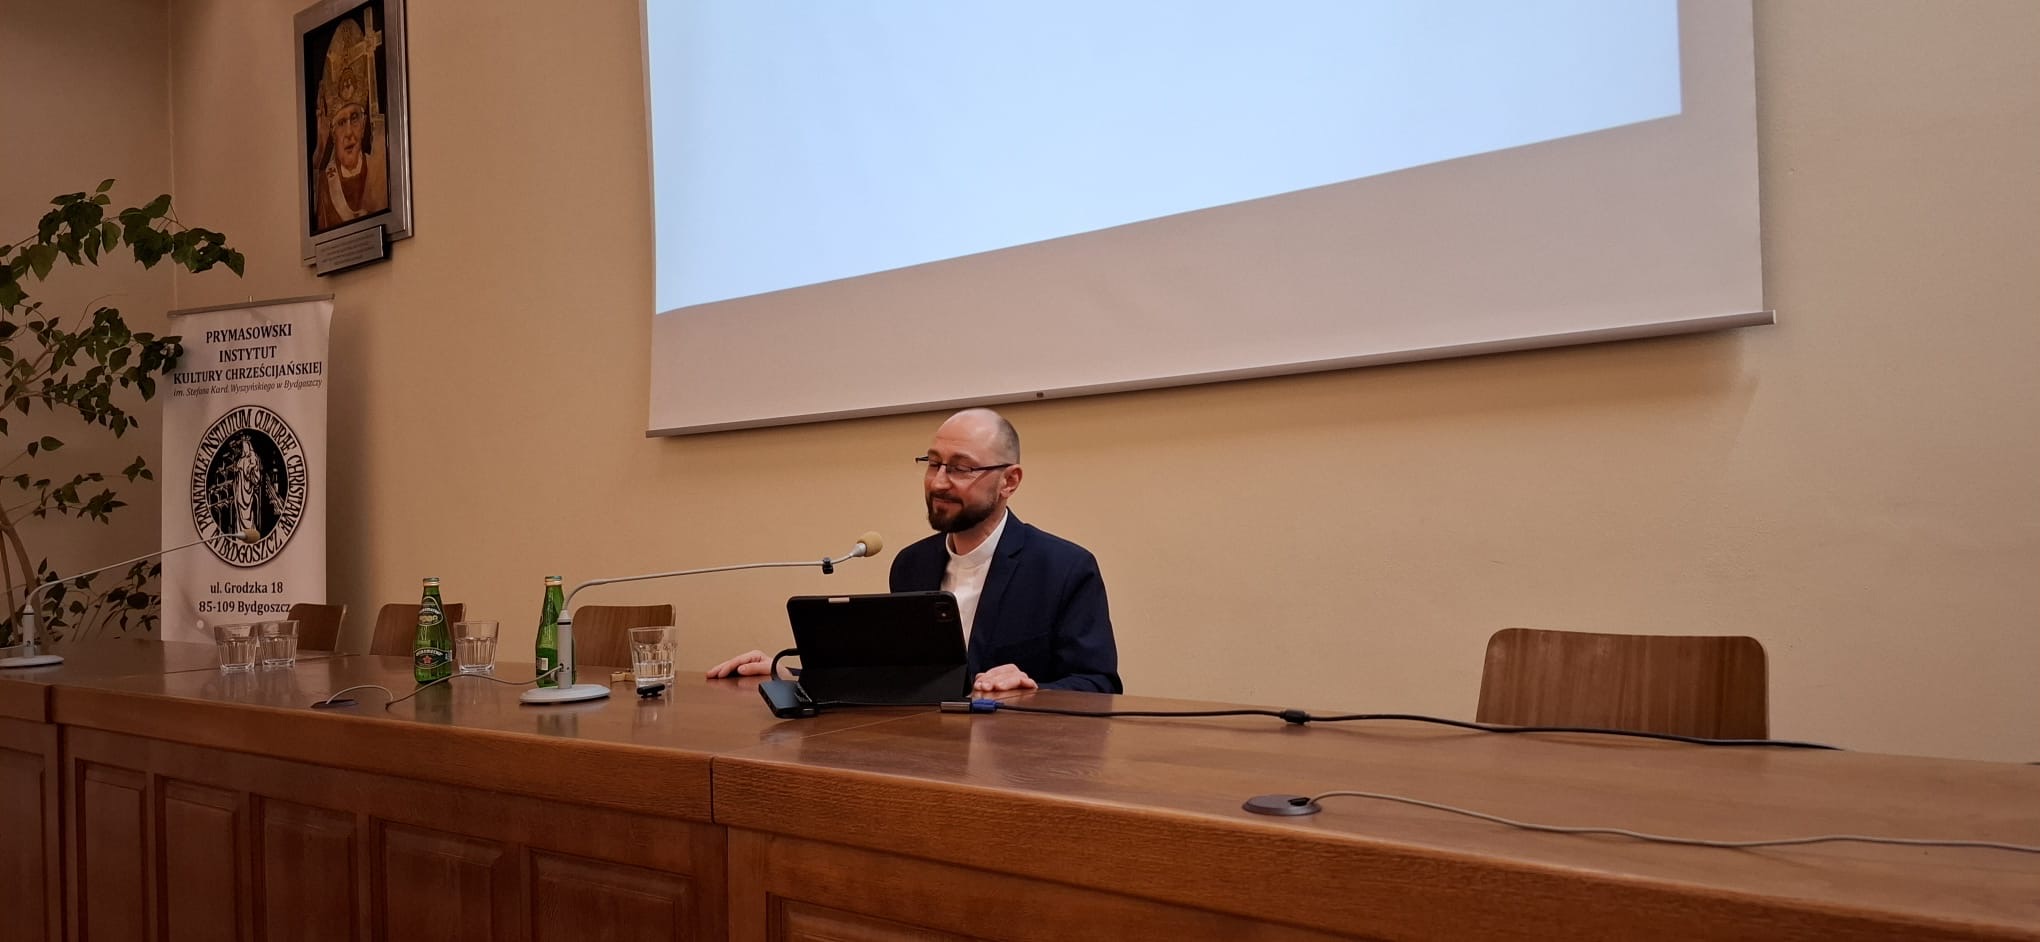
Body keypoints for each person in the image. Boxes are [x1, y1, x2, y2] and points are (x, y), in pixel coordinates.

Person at [707, 408, 1121, 693]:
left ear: (1009, 481)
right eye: (933, 463)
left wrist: (1030, 689)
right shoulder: (912, 564)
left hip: (1016, 765)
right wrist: (789, 674)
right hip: (923, 755)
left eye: (960, 468)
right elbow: (898, 676)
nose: (938, 482)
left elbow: (1099, 684)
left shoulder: (1064, 568)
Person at [312, 16, 389, 230]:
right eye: (341, 122)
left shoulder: (379, 172)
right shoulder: (325, 185)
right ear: (333, 132)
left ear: (363, 125)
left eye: (354, 118)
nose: (349, 133)